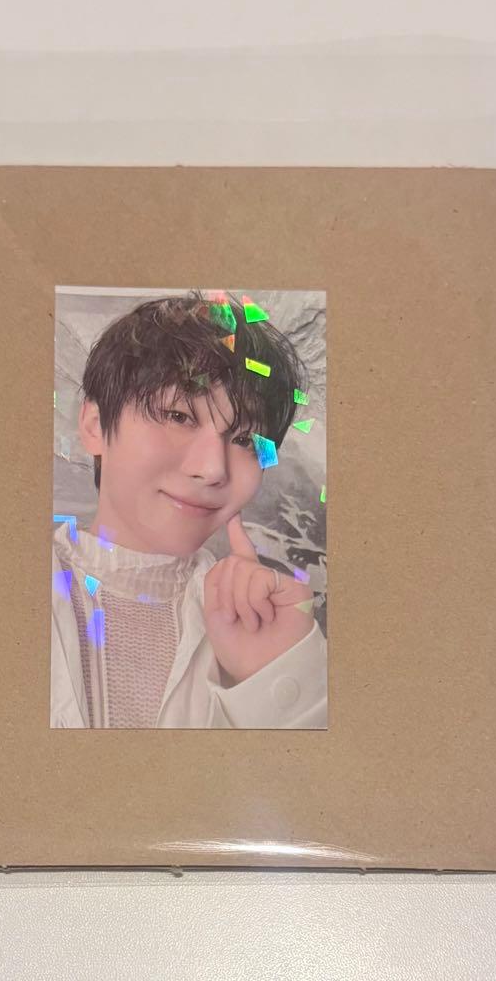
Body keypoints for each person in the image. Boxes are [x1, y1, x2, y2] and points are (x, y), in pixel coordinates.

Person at [51, 290, 327, 729]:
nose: (212, 469)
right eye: (179, 417)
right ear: (95, 425)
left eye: (244, 440)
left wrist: (279, 683)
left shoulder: (261, 618)